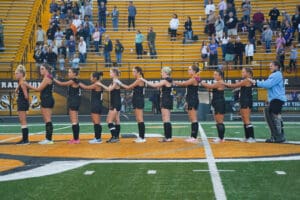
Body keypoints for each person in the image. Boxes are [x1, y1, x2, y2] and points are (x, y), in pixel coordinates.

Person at [249, 61, 287, 143]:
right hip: (276, 99)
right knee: (273, 115)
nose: (270, 67)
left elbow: (268, 84)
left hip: (277, 99)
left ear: (276, 66)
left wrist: (256, 82)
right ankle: (277, 136)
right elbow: (269, 85)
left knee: (272, 115)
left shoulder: (276, 74)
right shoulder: (277, 74)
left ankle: (278, 136)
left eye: (271, 66)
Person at [141, 67, 173, 142]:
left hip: (166, 99)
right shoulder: (168, 80)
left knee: (166, 118)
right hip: (167, 99)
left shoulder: (165, 80)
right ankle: (168, 137)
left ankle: (167, 137)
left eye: (162, 72)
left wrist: (144, 80)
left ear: (165, 72)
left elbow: (155, 85)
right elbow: (159, 87)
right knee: (166, 118)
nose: (161, 73)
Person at [224, 68, 255, 142]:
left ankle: (252, 137)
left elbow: (235, 85)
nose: (242, 73)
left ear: (248, 73)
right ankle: (247, 137)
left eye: (243, 72)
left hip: (246, 101)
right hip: (243, 101)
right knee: (244, 119)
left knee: (247, 119)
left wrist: (224, 83)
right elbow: (238, 87)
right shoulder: (246, 80)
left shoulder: (247, 80)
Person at [26, 64, 55, 144]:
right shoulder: (48, 77)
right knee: (47, 120)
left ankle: (49, 139)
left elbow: (39, 89)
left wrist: (28, 85)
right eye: (40, 69)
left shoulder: (47, 78)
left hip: (47, 99)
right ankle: (48, 138)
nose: (40, 70)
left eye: (42, 69)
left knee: (48, 119)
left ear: (46, 69)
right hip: (47, 99)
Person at [117, 66, 146, 143]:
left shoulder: (139, 80)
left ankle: (142, 137)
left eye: (134, 71)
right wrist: (128, 96)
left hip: (139, 100)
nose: (133, 73)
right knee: (138, 119)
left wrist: (119, 83)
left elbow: (128, 87)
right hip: (136, 100)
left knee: (140, 119)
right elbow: (135, 91)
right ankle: (141, 136)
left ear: (138, 72)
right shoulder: (138, 79)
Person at [174, 65, 201, 143]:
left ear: (194, 71)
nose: (188, 71)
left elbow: (184, 84)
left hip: (193, 100)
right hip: (191, 99)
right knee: (192, 119)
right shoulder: (195, 78)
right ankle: (193, 136)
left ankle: (194, 137)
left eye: (190, 69)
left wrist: (174, 82)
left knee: (193, 119)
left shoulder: (193, 79)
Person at [54, 68, 81, 144]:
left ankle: (76, 139)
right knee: (75, 120)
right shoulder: (76, 80)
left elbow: (61, 84)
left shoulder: (73, 80)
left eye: (70, 72)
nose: (68, 73)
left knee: (74, 121)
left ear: (74, 74)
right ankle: (76, 138)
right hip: (75, 101)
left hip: (74, 101)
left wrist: (53, 78)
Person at [97, 68, 122, 143]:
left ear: (114, 73)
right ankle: (116, 137)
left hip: (115, 103)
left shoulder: (116, 81)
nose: (109, 73)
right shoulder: (114, 81)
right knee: (117, 120)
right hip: (115, 102)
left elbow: (109, 89)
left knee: (109, 121)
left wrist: (100, 84)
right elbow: (109, 88)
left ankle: (114, 137)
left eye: (110, 72)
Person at [201, 69, 226, 143]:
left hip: (219, 103)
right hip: (216, 102)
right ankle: (220, 137)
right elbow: (209, 88)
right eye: (214, 74)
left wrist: (201, 82)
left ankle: (221, 138)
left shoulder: (220, 82)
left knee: (219, 121)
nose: (214, 76)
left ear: (220, 76)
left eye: (215, 74)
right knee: (217, 121)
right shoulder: (218, 82)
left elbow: (209, 86)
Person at [79, 72, 104, 144]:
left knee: (96, 122)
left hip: (96, 105)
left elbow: (85, 87)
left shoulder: (97, 84)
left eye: (91, 77)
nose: (90, 78)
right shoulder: (98, 83)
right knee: (96, 122)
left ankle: (98, 138)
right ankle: (97, 137)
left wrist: (78, 82)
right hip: (97, 104)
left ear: (95, 78)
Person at [14, 65, 30, 145]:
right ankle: (24, 139)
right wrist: (17, 89)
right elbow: (17, 90)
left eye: (17, 73)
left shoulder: (22, 82)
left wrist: (26, 104)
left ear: (21, 74)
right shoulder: (20, 82)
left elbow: (26, 96)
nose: (15, 75)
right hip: (21, 102)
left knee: (23, 121)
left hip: (22, 102)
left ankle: (25, 140)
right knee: (22, 121)